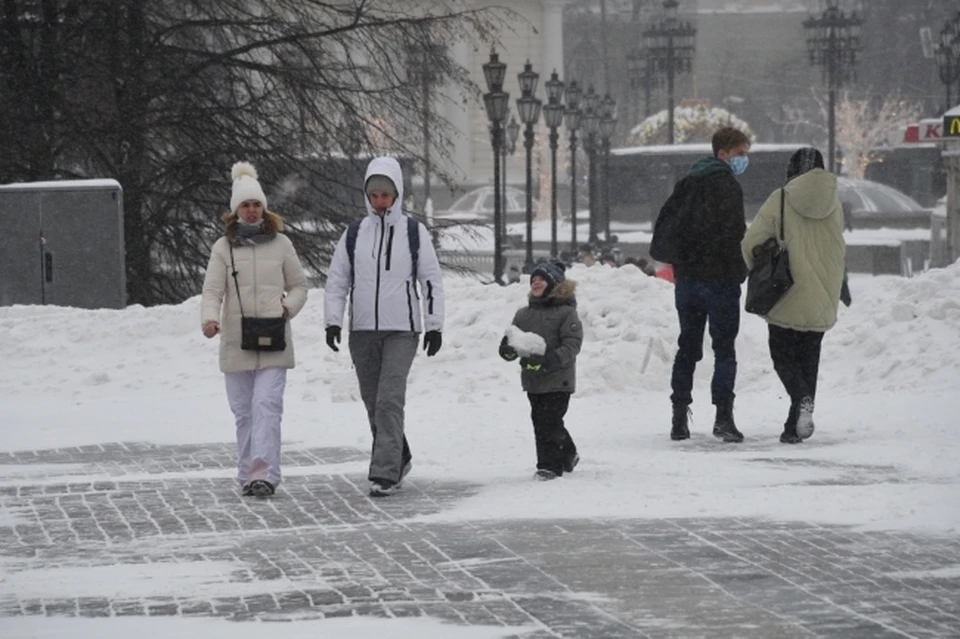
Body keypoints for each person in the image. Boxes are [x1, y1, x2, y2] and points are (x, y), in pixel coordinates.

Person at [324, 156, 445, 497]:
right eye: (374, 195)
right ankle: (398, 453)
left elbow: (431, 280)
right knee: (372, 400)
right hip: (362, 330)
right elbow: (337, 281)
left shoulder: (413, 232)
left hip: (401, 330)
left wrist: (434, 325)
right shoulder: (354, 234)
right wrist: (333, 321)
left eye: (386, 195)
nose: (380, 201)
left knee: (389, 399)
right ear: (367, 195)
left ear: (397, 195)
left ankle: (385, 472)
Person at [201, 162, 308, 497]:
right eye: (245, 205)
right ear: (235, 210)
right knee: (244, 412)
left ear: (264, 208)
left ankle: (264, 475)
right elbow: (213, 291)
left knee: (267, 406)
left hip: (274, 341)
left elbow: (300, 286)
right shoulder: (223, 248)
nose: (251, 210)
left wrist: (287, 309)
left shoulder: (282, 245)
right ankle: (247, 473)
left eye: (256, 204)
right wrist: (209, 319)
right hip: (236, 341)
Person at [742, 147, 845, 444]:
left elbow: (752, 242)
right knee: (809, 356)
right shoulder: (833, 202)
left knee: (782, 355)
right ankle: (793, 427)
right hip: (825, 288)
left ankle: (800, 399)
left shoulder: (781, 198)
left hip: (787, 287)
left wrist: (758, 264)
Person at [665, 127, 751, 443]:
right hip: (720, 281)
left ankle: (678, 416)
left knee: (687, 346)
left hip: (687, 280)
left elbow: (673, 228)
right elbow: (733, 234)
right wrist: (738, 270)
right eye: (740, 153)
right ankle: (723, 418)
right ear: (723, 153)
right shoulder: (727, 186)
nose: (744, 159)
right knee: (724, 349)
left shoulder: (687, 183)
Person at [498, 261, 583, 481]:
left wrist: (552, 360)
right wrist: (507, 350)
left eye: (541, 280)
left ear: (553, 284)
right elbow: (513, 340)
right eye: (533, 280)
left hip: (558, 378)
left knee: (549, 420)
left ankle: (549, 466)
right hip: (533, 378)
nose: (535, 283)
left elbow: (572, 343)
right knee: (542, 419)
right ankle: (568, 452)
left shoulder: (566, 313)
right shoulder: (523, 315)